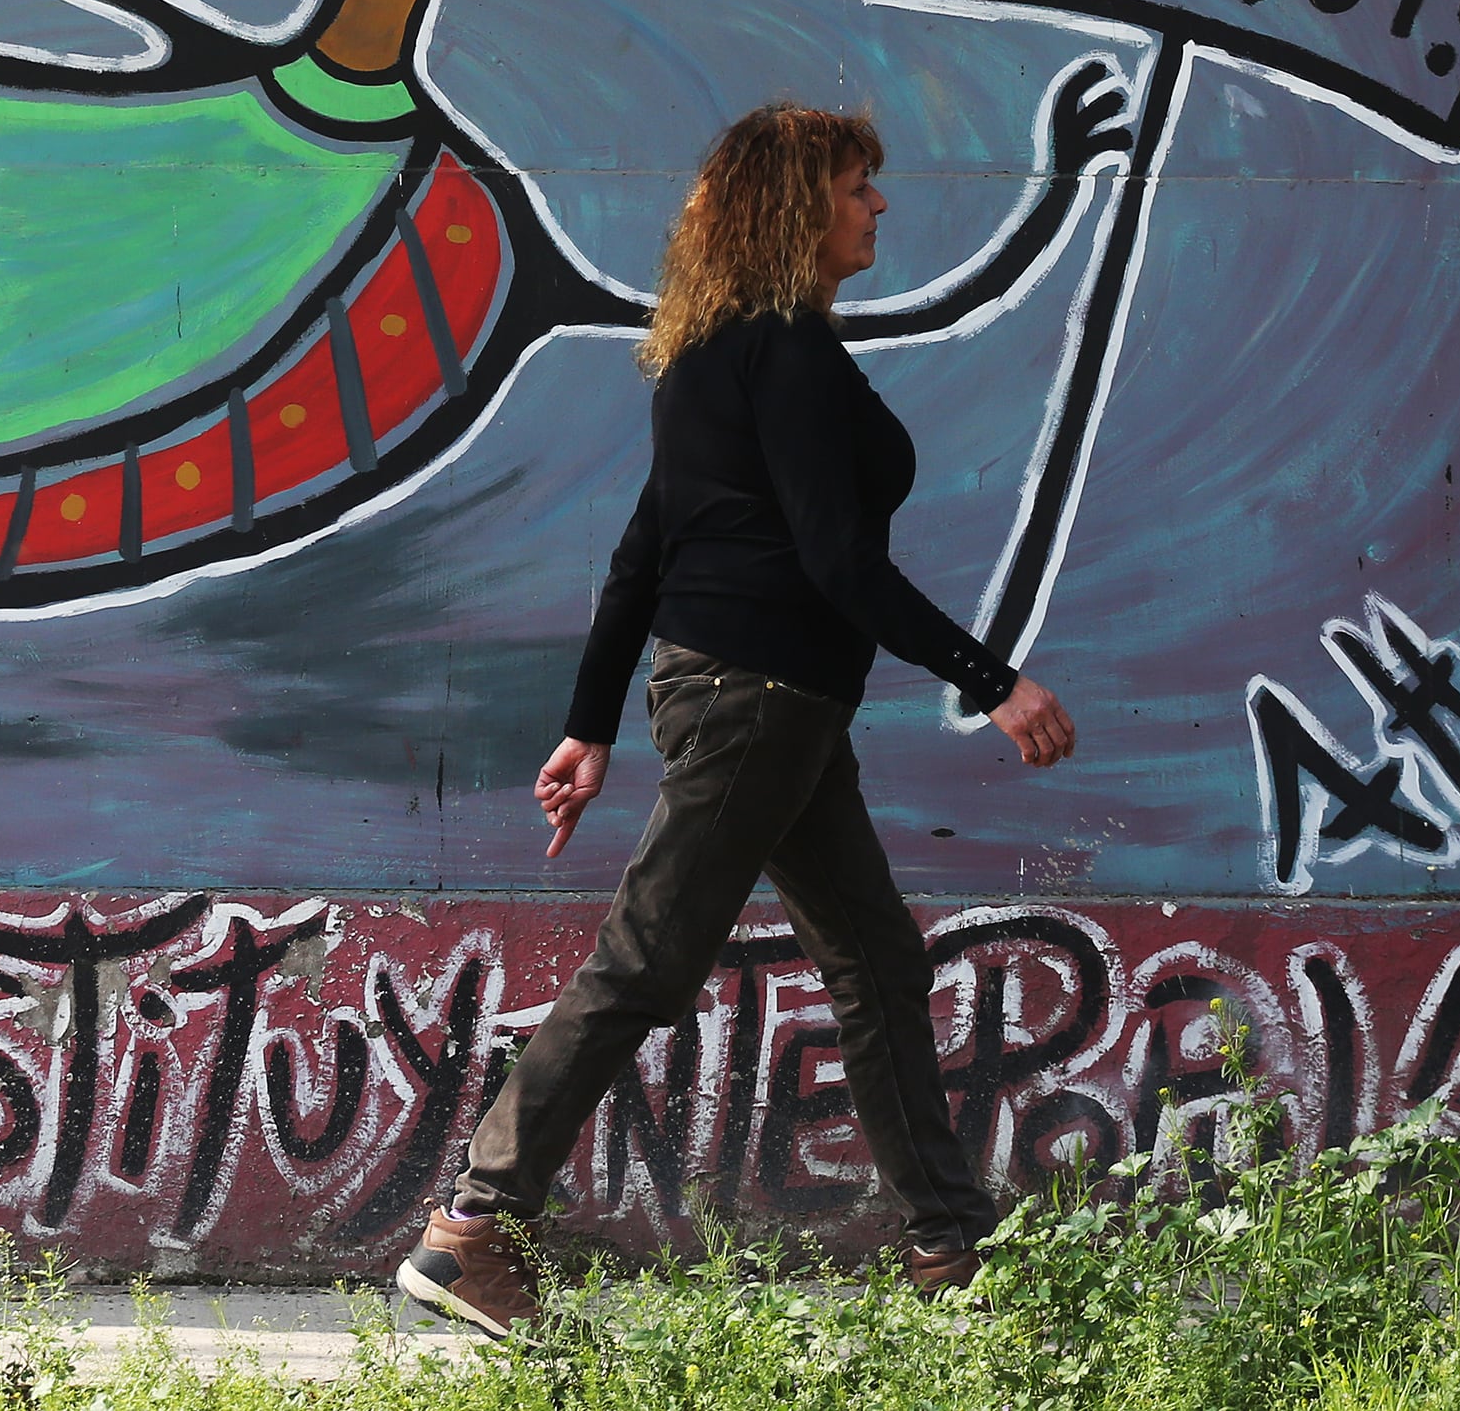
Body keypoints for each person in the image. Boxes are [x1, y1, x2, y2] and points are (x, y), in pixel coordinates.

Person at [394, 102, 1080, 1339]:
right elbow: (835, 562)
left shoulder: (711, 355)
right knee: (647, 960)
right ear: (794, 206)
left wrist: (590, 724)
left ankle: (946, 1248)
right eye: (857, 186)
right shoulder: (783, 358)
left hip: (768, 704)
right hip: (757, 699)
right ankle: (472, 1229)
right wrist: (993, 681)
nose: (879, 206)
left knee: (875, 963)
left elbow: (640, 552)